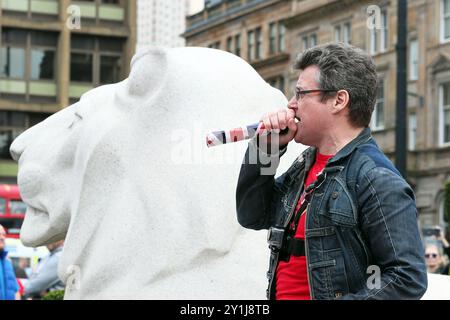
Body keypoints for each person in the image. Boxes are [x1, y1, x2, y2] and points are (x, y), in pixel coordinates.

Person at [236, 42, 427, 300]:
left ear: (338, 100)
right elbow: (253, 215)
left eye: (301, 93)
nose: (291, 104)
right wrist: (266, 148)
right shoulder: (304, 166)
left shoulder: (375, 178)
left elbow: (407, 278)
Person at [0, 224, 19, 300]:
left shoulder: (7, 262)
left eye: (4, 235)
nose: (2, 237)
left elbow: (15, 290)